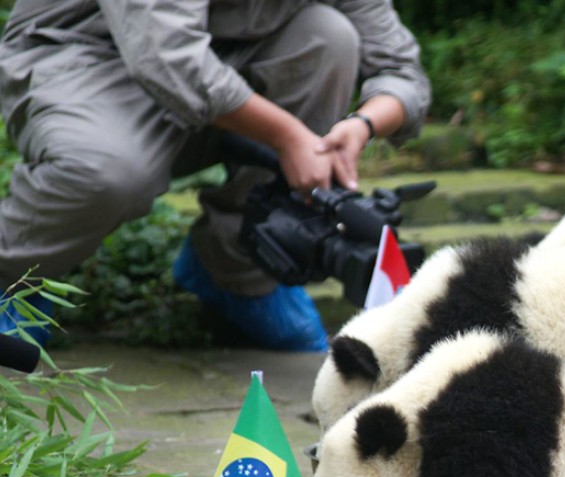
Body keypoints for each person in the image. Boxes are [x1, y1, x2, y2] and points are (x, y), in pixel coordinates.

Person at [0, 0, 431, 351]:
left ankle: (237, 266)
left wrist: (361, 125)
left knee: (328, 36)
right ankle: (16, 275)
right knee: (106, 172)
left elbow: (402, 70)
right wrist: (287, 137)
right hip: (83, 58)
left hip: (216, 69)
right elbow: (166, 56)